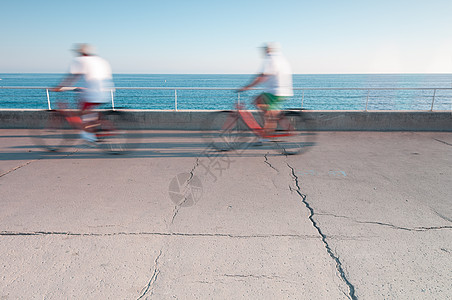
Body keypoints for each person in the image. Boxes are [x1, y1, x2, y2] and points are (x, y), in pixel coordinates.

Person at [53, 43, 114, 143]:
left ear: (80, 52)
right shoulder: (101, 60)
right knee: (89, 112)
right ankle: (97, 129)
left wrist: (59, 87)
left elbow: (72, 77)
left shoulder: (80, 60)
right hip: (105, 91)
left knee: (83, 112)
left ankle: (90, 137)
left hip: (92, 94)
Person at [238, 42, 293, 139]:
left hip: (274, 91)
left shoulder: (270, 59)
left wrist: (248, 86)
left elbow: (262, 76)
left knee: (259, 104)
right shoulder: (282, 59)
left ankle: (266, 134)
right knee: (269, 110)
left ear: (268, 50)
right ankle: (278, 124)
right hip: (285, 91)